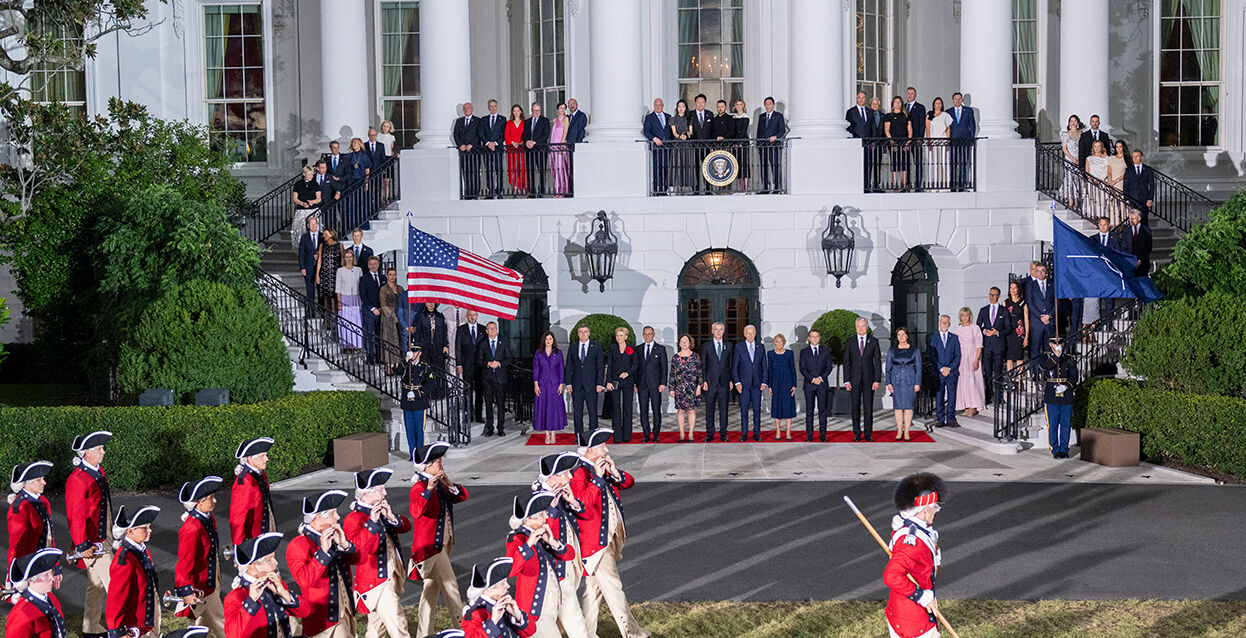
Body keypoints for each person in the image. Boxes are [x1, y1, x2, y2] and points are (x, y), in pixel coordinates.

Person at [570, 429, 648, 638]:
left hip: (607, 537)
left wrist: (614, 472)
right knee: (614, 588)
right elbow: (582, 506)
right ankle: (632, 633)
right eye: (603, 446)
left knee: (593, 590)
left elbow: (628, 482)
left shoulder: (601, 467)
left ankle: (586, 633)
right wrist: (597, 478)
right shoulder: (579, 473)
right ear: (591, 450)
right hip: (595, 543)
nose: (607, 450)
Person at [409, 443, 470, 637]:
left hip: (442, 546)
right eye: (437, 462)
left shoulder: (440, 484)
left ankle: (423, 633)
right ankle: (464, 629)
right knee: (451, 586)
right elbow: (416, 511)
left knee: (430, 590)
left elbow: (462, 496)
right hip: (430, 549)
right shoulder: (419, 487)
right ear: (426, 467)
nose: (441, 464)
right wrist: (428, 490)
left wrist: (449, 483)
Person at [344, 469, 412, 638]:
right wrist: (372, 523)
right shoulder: (354, 518)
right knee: (398, 623)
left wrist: (391, 517)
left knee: (376, 630)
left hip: (390, 576)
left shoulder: (381, 510)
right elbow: (358, 551)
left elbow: (406, 526)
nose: (385, 493)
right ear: (367, 493)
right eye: (381, 489)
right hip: (375, 582)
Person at [529, 454, 590, 638]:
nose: (571, 476)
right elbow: (544, 534)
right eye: (566, 473)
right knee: (570, 624)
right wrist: (552, 509)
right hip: (551, 574)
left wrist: (572, 501)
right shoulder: (537, 501)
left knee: (569, 622)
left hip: (566, 565)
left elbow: (585, 515)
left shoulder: (561, 492)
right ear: (554, 477)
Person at [505, 492, 577, 638]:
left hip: (554, 604)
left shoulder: (543, 533)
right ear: (528, 519)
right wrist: (528, 544)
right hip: (535, 610)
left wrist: (553, 542)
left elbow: (570, 555)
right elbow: (511, 570)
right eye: (542, 514)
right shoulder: (517, 538)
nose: (546, 517)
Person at [883, 473, 947, 638]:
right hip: (914, 620)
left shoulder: (907, 529)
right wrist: (921, 596)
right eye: (935, 507)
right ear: (925, 510)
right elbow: (891, 576)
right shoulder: (912, 542)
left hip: (904, 612)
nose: (936, 511)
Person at [287, 490, 356, 638]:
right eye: (333, 513)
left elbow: (360, 560)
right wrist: (323, 553)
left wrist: (345, 545)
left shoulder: (335, 536)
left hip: (346, 610)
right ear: (319, 516)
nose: (338, 517)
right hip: (324, 619)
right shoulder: (298, 545)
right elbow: (304, 580)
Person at [65, 431, 113, 638]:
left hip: (105, 536)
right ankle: (121, 630)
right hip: (94, 543)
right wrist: (83, 545)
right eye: (99, 449)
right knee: (116, 586)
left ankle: (90, 628)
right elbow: (75, 516)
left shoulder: (97, 470)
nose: (103, 452)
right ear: (86, 453)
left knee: (97, 585)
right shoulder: (77, 479)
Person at [223, 532, 309, 638]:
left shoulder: (275, 584)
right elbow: (233, 635)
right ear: (253, 566)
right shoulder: (235, 597)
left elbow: (305, 612)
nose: (276, 562)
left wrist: (285, 594)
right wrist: (251, 601)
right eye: (269, 560)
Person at [174, 477, 227, 638]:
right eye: (210, 498)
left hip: (211, 580)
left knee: (203, 624)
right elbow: (185, 562)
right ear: (198, 502)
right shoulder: (192, 528)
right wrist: (185, 590)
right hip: (202, 587)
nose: (215, 501)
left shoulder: (207, 518)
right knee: (223, 625)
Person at [107, 505, 162, 638]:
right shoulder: (125, 559)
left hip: (147, 619)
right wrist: (117, 630)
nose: (150, 530)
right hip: (135, 624)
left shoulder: (142, 550)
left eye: (149, 527)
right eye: (145, 528)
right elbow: (116, 597)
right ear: (130, 531)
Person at [7, 461, 56, 590]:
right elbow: (17, 545)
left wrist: (55, 566)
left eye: (43, 479)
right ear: (26, 483)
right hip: (28, 570)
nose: (44, 483)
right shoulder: (20, 507)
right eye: (39, 480)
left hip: (43, 567)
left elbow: (49, 535)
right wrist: (18, 577)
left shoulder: (43, 501)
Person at [5, 548, 68, 638]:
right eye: (46, 575)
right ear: (31, 580)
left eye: (51, 573)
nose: (52, 578)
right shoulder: (20, 614)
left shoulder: (52, 599)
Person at [460, 558, 529, 638]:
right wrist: (493, 621)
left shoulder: (506, 604)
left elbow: (530, 632)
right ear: (488, 590)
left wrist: (517, 615)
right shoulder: (474, 614)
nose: (508, 586)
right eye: (503, 583)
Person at [229, 437, 276, 548]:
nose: (267, 459)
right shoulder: (244, 482)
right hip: (253, 540)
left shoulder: (261, 474)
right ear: (250, 458)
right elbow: (237, 518)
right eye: (262, 456)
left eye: (266, 455)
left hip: (265, 532)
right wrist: (240, 548)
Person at [564, 325, 604, 446]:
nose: (583, 334)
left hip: (591, 385)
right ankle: (579, 437)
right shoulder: (573, 346)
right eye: (580, 332)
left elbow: (600, 367)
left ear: (589, 333)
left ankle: (593, 437)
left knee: (593, 413)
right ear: (578, 333)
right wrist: (568, 383)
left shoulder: (596, 347)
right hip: (576, 386)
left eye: (585, 331)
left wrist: (599, 383)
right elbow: (569, 366)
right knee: (577, 414)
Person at [843, 318, 882, 442]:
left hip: (869, 380)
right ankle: (857, 433)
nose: (860, 328)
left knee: (868, 407)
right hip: (854, 380)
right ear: (855, 327)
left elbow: (877, 362)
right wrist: (846, 380)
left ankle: (868, 433)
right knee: (855, 407)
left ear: (867, 327)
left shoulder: (874, 341)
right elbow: (846, 362)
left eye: (863, 326)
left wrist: (877, 380)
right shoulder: (850, 342)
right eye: (858, 326)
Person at [391, 344, 432, 455]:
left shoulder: (425, 367)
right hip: (407, 402)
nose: (413, 354)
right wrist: (405, 360)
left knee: (419, 430)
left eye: (415, 352)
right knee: (409, 430)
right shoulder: (406, 365)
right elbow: (397, 371)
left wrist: (417, 393)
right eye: (412, 352)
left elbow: (430, 384)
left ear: (420, 353)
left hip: (419, 402)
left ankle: (419, 454)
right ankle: (413, 453)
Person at [1040, 337, 1078, 459]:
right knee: (1053, 425)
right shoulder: (1045, 357)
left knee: (1065, 424)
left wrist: (1066, 387)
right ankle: (1055, 449)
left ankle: (1064, 449)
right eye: (1054, 342)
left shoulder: (1069, 358)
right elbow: (1047, 366)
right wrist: (1056, 356)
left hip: (1066, 395)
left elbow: (1074, 376)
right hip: (1051, 395)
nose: (1057, 344)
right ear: (1050, 344)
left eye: (1060, 342)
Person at [885, 328, 922, 442]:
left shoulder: (914, 350)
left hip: (910, 381)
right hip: (896, 381)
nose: (901, 336)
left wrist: (917, 383)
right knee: (898, 407)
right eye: (899, 335)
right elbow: (888, 368)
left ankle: (907, 431)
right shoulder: (892, 350)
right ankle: (899, 430)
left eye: (903, 334)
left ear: (907, 336)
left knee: (908, 406)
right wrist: (888, 383)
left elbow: (919, 368)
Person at [733, 325, 768, 442]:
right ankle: (744, 433)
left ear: (755, 333)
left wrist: (764, 381)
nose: (750, 335)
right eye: (748, 333)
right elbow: (735, 367)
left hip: (757, 384)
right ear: (744, 334)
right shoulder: (739, 347)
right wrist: (737, 382)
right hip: (744, 384)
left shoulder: (760, 347)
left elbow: (764, 366)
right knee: (744, 410)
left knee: (757, 410)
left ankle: (756, 433)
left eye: (752, 333)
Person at [700, 322, 734, 442]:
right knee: (709, 409)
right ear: (712, 331)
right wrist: (703, 381)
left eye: (720, 329)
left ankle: (723, 433)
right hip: (710, 383)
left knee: (724, 410)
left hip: (724, 382)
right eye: (716, 329)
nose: (718, 332)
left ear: (723, 331)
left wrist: (731, 380)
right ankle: (710, 433)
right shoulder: (706, 346)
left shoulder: (729, 346)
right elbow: (702, 365)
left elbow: (731, 365)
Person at [976, 287, 1010, 406]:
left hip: (999, 345)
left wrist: (998, 332)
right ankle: (988, 395)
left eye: (994, 295)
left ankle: (999, 397)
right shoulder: (983, 310)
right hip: (987, 345)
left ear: (998, 296)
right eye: (990, 294)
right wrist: (984, 331)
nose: (992, 297)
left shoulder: (1004, 311)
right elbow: (978, 326)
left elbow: (1008, 327)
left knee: (998, 371)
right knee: (987, 372)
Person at [800, 329, 835, 442]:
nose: (814, 338)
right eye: (812, 336)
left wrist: (820, 378)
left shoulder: (826, 351)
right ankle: (809, 435)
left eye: (816, 336)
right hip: (809, 385)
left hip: (822, 384)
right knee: (809, 411)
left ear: (819, 338)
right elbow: (802, 368)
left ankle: (823, 435)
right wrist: (812, 379)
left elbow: (829, 367)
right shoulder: (804, 352)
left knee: (822, 411)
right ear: (809, 338)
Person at [605, 326, 638, 443]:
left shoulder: (631, 348)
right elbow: (610, 365)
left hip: (628, 381)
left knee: (627, 408)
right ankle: (617, 437)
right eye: (617, 335)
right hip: (615, 382)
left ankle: (627, 436)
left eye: (621, 335)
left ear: (626, 337)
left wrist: (628, 373)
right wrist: (608, 381)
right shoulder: (613, 348)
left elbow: (636, 365)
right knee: (616, 408)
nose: (619, 338)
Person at [533, 331, 567, 445]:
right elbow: (536, 368)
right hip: (542, 384)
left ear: (553, 341)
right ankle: (547, 433)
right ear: (544, 340)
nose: (548, 341)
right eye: (546, 339)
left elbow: (561, 368)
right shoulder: (539, 353)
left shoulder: (558, 352)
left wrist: (561, 384)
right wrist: (536, 384)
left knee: (554, 409)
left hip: (554, 384)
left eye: (550, 339)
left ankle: (553, 432)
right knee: (543, 407)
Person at [635, 326, 668, 442]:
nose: (647, 336)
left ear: (653, 335)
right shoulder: (638, 349)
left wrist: (663, 383)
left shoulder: (660, 349)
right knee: (643, 410)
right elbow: (636, 367)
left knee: (656, 410)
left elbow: (664, 368)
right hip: (641, 385)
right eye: (645, 334)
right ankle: (646, 434)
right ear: (642, 335)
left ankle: (656, 434)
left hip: (656, 385)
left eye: (649, 334)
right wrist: (635, 384)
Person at [928, 315, 961, 429]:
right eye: (942, 322)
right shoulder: (933, 338)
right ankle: (940, 419)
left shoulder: (954, 338)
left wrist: (949, 368)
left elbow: (958, 355)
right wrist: (941, 368)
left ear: (949, 324)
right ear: (939, 323)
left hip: (952, 373)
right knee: (939, 396)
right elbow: (932, 355)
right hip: (939, 373)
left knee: (952, 396)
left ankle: (951, 419)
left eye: (947, 322)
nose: (944, 324)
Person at [668, 334, 703, 443]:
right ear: (679, 343)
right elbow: (672, 374)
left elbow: (700, 373)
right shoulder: (675, 358)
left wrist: (699, 386)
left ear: (690, 343)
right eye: (682, 341)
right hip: (679, 388)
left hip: (692, 388)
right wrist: (671, 388)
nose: (684, 343)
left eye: (686, 341)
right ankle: (682, 433)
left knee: (691, 410)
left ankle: (691, 433)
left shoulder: (695, 356)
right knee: (680, 411)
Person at [478, 322, 510, 437]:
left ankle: (500, 428)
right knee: (488, 404)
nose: (493, 330)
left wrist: (499, 363)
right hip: (487, 379)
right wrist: (488, 364)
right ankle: (490, 428)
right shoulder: (482, 344)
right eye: (490, 329)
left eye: (494, 328)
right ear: (486, 331)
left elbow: (509, 359)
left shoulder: (503, 342)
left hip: (500, 378)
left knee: (501, 404)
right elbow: (478, 361)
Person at [456, 311, 486, 424]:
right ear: (466, 316)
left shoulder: (483, 329)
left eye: (474, 315)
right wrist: (459, 364)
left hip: (480, 366)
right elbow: (458, 347)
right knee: (467, 391)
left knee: (479, 391)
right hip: (467, 365)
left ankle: (478, 415)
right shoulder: (461, 329)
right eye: (470, 315)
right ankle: (469, 415)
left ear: (477, 316)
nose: (472, 317)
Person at [955, 308, 985, 417]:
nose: (964, 318)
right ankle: (967, 406)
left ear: (970, 316)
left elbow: (979, 345)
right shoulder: (958, 329)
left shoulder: (975, 328)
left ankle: (974, 406)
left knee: (973, 381)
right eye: (962, 316)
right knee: (963, 382)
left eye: (966, 315)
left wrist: (976, 359)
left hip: (972, 357)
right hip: (962, 359)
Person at [411, 302, 450, 386]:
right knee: (426, 371)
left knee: (439, 371)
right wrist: (417, 349)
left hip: (438, 348)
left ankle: (439, 391)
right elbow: (417, 334)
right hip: (424, 348)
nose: (431, 305)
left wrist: (445, 345)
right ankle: (427, 391)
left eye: (432, 303)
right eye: (428, 303)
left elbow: (444, 332)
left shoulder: (440, 316)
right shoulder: (419, 316)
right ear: (425, 304)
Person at [767, 334, 797, 441]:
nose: (779, 343)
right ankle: (778, 430)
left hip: (788, 384)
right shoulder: (770, 354)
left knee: (788, 407)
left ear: (784, 342)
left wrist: (794, 385)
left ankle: (788, 431)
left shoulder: (789, 353)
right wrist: (770, 386)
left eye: (781, 341)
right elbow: (770, 370)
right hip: (775, 384)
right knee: (776, 407)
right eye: (777, 341)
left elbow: (793, 369)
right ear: (774, 343)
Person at [755, 96, 786, 193]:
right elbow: (759, 131)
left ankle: (776, 188)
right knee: (763, 167)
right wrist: (758, 145)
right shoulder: (761, 116)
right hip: (763, 146)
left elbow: (782, 130)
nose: (768, 106)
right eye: (766, 104)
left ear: (773, 105)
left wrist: (776, 137)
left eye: (770, 104)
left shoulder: (778, 116)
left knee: (774, 166)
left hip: (774, 145)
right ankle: (765, 188)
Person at [1025, 263, 1056, 358]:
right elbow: (1030, 304)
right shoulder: (1030, 285)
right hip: (1037, 323)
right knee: (1035, 350)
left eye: (1042, 271)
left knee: (1050, 349)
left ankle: (1049, 368)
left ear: (1046, 272)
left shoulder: (1053, 285)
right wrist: (1040, 316)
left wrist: (1049, 315)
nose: (1040, 273)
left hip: (1050, 322)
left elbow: (1057, 303)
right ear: (1035, 272)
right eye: (1038, 271)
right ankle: (1035, 368)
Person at [335, 250, 363, 351]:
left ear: (353, 258)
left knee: (356, 322)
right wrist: (339, 301)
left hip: (356, 298)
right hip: (344, 298)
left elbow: (361, 286)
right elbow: (338, 288)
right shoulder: (340, 271)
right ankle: (346, 345)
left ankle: (357, 344)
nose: (348, 259)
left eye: (350, 257)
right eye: (346, 257)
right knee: (345, 322)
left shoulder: (358, 270)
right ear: (344, 259)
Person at [315, 228, 343, 329]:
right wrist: (317, 274)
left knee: (336, 299)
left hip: (336, 275)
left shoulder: (339, 245)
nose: (324, 236)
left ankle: (337, 323)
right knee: (327, 300)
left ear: (331, 234)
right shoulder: (322, 245)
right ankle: (328, 323)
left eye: (326, 234)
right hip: (325, 274)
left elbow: (342, 260)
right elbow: (319, 261)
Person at [947, 92, 976, 191]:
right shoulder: (948, 112)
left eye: (959, 99)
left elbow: (972, 125)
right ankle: (952, 185)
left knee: (963, 163)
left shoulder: (968, 111)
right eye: (956, 99)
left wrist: (971, 138)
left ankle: (961, 185)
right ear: (953, 100)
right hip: (953, 141)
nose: (958, 101)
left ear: (962, 100)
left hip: (965, 140)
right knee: (953, 163)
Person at [883, 95, 912, 191]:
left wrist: (908, 141)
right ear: (892, 104)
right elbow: (887, 130)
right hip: (894, 142)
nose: (897, 104)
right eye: (895, 102)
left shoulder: (906, 115)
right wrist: (892, 142)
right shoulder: (888, 116)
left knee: (905, 162)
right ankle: (895, 184)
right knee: (894, 162)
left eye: (899, 102)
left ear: (902, 104)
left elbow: (910, 129)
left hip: (904, 141)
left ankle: (904, 184)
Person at [642, 98, 671, 195]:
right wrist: (654, 138)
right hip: (656, 147)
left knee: (666, 168)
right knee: (657, 168)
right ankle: (657, 189)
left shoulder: (668, 116)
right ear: (653, 106)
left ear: (663, 105)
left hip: (667, 147)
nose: (658, 107)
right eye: (656, 105)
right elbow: (646, 131)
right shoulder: (649, 117)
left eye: (659, 105)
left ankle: (664, 189)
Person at [454, 103, 482, 199]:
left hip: (474, 151)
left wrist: (472, 144)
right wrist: (460, 145)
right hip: (463, 152)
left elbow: (479, 134)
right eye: (464, 108)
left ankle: (476, 193)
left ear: (472, 109)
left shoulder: (478, 120)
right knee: (466, 172)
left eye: (468, 108)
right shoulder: (459, 121)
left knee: (475, 172)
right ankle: (468, 193)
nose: (466, 110)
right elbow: (455, 134)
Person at [480, 100, 507, 198]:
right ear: (488, 107)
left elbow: (504, 134)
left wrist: (495, 143)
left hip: (498, 149)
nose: (493, 108)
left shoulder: (502, 119)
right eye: (491, 106)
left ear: (497, 107)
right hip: (487, 149)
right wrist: (488, 143)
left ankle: (499, 192)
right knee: (488, 171)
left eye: (495, 106)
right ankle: (490, 191)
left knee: (499, 170)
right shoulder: (483, 119)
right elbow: (481, 133)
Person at [360, 256, 385, 362]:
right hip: (369, 311)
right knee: (369, 334)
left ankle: (379, 357)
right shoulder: (364, 279)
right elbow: (363, 295)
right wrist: (373, 308)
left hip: (381, 311)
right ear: (368, 265)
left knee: (380, 335)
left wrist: (381, 308)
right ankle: (370, 356)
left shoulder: (383, 278)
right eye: (371, 264)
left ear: (378, 265)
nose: (373, 266)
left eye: (375, 264)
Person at [523, 103, 551, 196]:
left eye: (538, 110)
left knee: (542, 170)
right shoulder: (527, 121)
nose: (536, 112)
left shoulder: (545, 121)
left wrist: (534, 142)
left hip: (541, 150)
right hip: (529, 150)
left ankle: (541, 191)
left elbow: (546, 135)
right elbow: (524, 135)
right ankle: (532, 192)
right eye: (535, 110)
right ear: (531, 110)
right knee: (530, 171)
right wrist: (527, 141)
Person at [1057, 115, 1084, 205]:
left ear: (1077, 122)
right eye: (1071, 121)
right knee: (1069, 178)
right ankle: (1070, 199)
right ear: (1069, 123)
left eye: (1075, 121)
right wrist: (1072, 159)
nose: (1073, 123)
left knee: (1077, 178)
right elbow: (1064, 148)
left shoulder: (1081, 133)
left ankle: (1077, 199)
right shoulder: (1066, 134)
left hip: (1079, 158)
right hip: (1070, 158)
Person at [925, 97, 952, 189]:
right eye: (936, 103)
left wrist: (948, 141)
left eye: (939, 103)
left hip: (943, 140)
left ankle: (944, 184)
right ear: (933, 105)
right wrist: (929, 141)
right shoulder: (929, 115)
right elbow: (927, 129)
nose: (938, 105)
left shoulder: (945, 115)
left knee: (943, 162)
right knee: (933, 162)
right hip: (933, 140)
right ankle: (933, 185)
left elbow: (948, 129)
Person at [1123, 149, 1155, 223]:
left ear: (1141, 157)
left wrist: (1150, 199)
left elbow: (1152, 185)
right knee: (1134, 221)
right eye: (1133, 156)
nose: (1134, 158)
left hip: (1144, 200)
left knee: (1144, 221)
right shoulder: (1128, 170)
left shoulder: (1148, 169)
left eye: (1137, 156)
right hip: (1132, 200)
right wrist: (1126, 200)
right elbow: (1125, 186)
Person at [904, 87, 927, 189]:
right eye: (908, 93)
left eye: (912, 93)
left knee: (917, 162)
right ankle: (907, 184)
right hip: (905, 140)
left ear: (915, 95)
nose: (909, 95)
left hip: (916, 139)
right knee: (906, 162)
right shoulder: (903, 107)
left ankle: (918, 185)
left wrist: (920, 138)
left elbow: (922, 124)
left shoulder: (920, 107)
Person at [1003, 281, 1029, 370]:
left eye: (1015, 288)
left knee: (1019, 357)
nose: (1013, 290)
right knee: (1009, 357)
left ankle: (1019, 378)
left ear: (1018, 289)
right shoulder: (1005, 303)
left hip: (1019, 333)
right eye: (1011, 287)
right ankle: (1010, 377)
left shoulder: (1023, 303)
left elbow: (1026, 320)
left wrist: (1026, 336)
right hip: (1008, 333)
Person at [668, 99, 691, 193]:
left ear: (686, 108)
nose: (681, 108)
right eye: (679, 106)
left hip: (686, 145)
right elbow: (674, 132)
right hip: (677, 144)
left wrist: (687, 134)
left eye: (683, 106)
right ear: (677, 108)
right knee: (677, 164)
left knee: (686, 164)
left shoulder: (689, 119)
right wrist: (679, 136)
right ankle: (677, 186)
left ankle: (685, 187)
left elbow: (691, 131)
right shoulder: (673, 119)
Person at [549, 102, 572, 197]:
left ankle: (562, 190)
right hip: (553, 146)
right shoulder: (555, 120)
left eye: (564, 108)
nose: (562, 110)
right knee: (554, 169)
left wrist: (561, 146)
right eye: (561, 108)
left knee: (560, 168)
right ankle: (557, 190)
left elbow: (565, 132)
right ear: (557, 109)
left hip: (560, 146)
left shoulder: (566, 119)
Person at [505, 105, 529, 195]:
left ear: (521, 111)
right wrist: (512, 142)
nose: (516, 112)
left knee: (522, 168)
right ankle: (515, 187)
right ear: (512, 112)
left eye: (518, 110)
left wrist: (522, 142)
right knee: (513, 168)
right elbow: (506, 136)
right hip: (511, 149)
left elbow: (526, 134)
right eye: (514, 110)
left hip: (521, 149)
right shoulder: (509, 123)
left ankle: (524, 188)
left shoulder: (524, 123)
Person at [1122, 208, 1154, 276]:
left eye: (1133, 219)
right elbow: (1123, 247)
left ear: (1139, 218)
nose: (1131, 221)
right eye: (1130, 219)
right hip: (1129, 264)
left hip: (1143, 265)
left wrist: (1140, 260)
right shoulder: (1125, 230)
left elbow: (1148, 248)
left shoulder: (1146, 231)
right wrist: (1130, 260)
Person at [1107, 140, 1131, 223]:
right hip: (1112, 183)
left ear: (1123, 147)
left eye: (1120, 147)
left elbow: (1126, 173)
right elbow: (1109, 172)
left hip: (1121, 183)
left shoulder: (1127, 159)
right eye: (1117, 147)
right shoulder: (1111, 158)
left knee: (1123, 204)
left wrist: (1116, 181)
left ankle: (1125, 223)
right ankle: (1115, 223)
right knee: (1113, 205)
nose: (1118, 149)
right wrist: (1110, 182)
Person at [730, 99, 752, 192]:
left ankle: (745, 186)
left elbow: (743, 131)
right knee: (737, 164)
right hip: (735, 143)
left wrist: (739, 142)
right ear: (735, 106)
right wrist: (734, 143)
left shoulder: (745, 117)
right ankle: (740, 187)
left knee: (745, 163)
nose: (739, 106)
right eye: (737, 104)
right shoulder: (733, 117)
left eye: (740, 104)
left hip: (743, 142)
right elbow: (733, 131)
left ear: (743, 106)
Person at [1085, 140, 1110, 217]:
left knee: (1102, 200)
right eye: (1095, 146)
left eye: (1099, 146)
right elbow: (1087, 172)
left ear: (1101, 147)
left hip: (1103, 182)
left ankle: (1102, 217)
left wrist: (1101, 180)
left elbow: (1108, 171)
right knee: (1093, 199)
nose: (1097, 148)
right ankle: (1093, 217)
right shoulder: (1089, 158)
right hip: (1092, 182)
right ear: (1093, 148)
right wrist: (1093, 180)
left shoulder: (1107, 158)